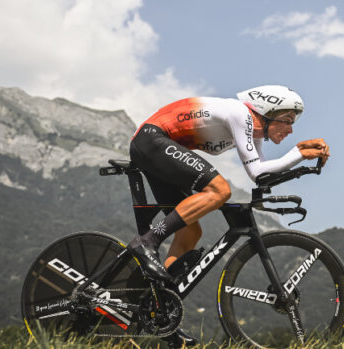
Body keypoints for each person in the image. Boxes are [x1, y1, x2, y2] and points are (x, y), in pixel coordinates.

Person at [127, 85, 329, 346]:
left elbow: (262, 175)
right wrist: (298, 154)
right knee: (219, 190)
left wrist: (301, 160)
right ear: (266, 113)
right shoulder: (240, 114)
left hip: (159, 146)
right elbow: (257, 172)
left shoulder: (252, 131)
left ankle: (160, 311)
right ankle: (147, 242)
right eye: (287, 121)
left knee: (191, 231)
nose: (290, 129)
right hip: (152, 139)